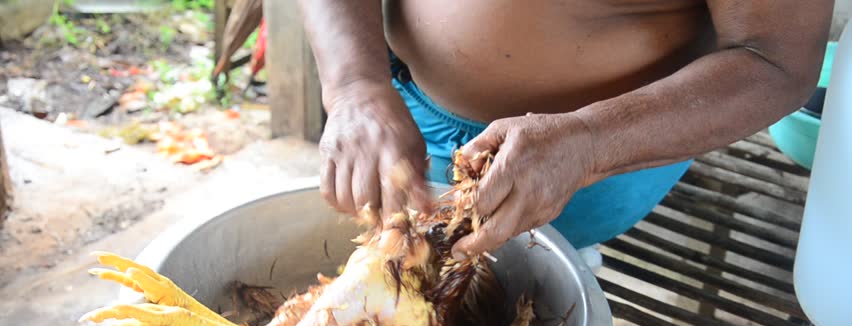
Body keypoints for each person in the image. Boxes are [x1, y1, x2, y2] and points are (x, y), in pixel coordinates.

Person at [296, 0, 832, 261]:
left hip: (605, 148)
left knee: (528, 284)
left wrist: (591, 143)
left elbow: (776, 60)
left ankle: (569, 262)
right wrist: (354, 85)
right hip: (392, 91)